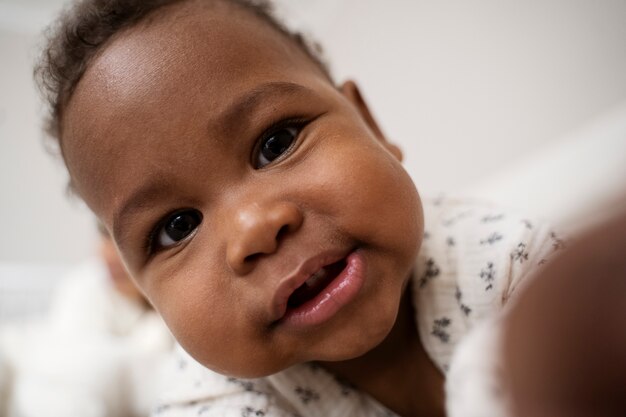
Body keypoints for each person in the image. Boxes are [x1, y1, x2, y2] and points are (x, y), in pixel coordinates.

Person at [34, 1, 563, 415]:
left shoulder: (506, 263)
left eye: (276, 143)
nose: (254, 229)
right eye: (178, 227)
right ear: (147, 293)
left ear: (371, 125)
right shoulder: (209, 397)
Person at [0, 228, 172, 417]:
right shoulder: (88, 284)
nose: (109, 253)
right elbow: (75, 374)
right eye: (105, 234)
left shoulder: (171, 319)